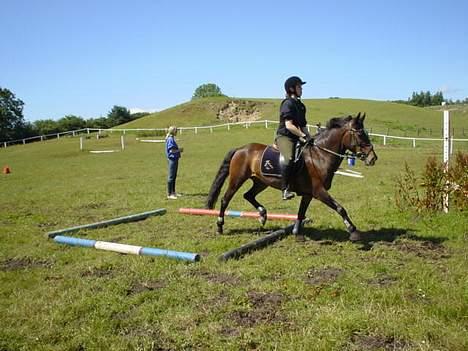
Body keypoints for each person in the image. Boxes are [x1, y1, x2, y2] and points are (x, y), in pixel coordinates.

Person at [275, 76, 313, 200]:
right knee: (289, 157)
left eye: (301, 87)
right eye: (299, 87)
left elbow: (303, 126)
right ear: (291, 89)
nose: (301, 89)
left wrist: (309, 137)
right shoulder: (287, 103)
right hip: (285, 137)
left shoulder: (301, 106)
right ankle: (285, 189)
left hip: (297, 137)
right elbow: (289, 125)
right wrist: (302, 136)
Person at [165, 126, 183, 199]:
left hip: (175, 159)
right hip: (172, 159)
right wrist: (179, 150)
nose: (177, 132)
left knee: (174, 176)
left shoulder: (171, 138)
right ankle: (169, 194)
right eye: (176, 130)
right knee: (171, 176)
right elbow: (171, 151)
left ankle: (173, 192)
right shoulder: (170, 139)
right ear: (173, 131)